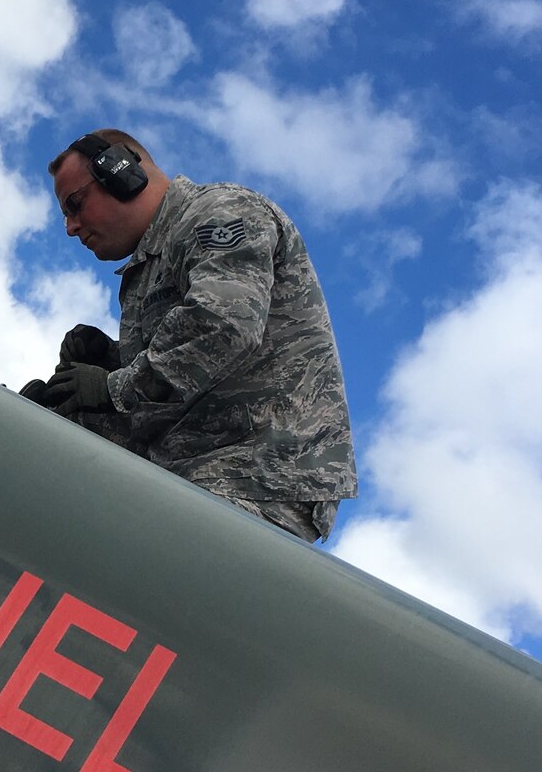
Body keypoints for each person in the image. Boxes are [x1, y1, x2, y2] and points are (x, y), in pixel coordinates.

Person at [23, 130, 357, 542]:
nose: (71, 227)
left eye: (76, 204)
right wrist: (102, 368)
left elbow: (224, 322)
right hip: (192, 472)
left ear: (123, 173)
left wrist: (112, 386)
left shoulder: (219, 211)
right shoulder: (146, 268)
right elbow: (172, 388)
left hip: (251, 478)